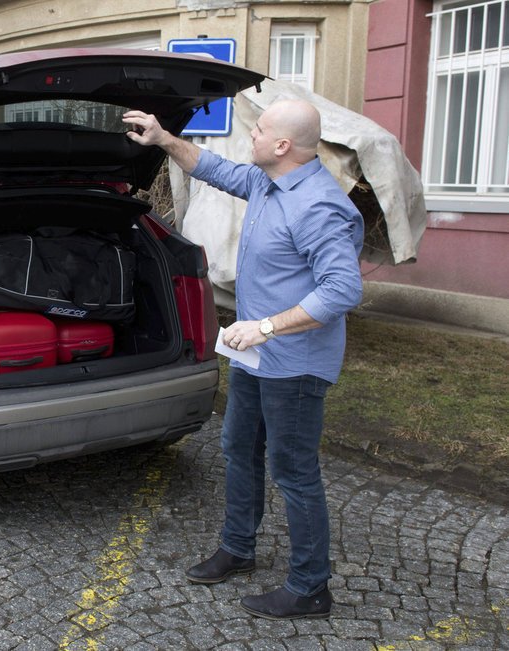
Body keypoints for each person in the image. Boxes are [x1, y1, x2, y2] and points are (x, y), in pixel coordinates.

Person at [123, 99, 363, 620]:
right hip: (255, 357)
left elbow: (343, 289)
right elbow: (214, 167)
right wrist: (163, 138)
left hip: (295, 363)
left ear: (283, 146)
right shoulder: (266, 182)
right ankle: (238, 547)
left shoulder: (319, 205)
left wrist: (268, 326)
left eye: (261, 129)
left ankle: (309, 586)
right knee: (237, 448)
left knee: (294, 471)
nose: (251, 134)